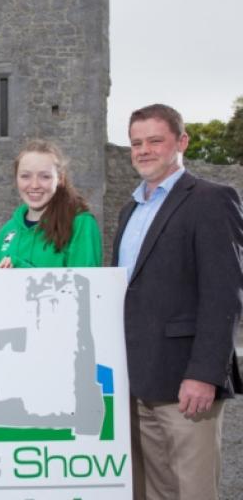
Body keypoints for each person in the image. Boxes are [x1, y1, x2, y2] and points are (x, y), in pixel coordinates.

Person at [111, 104, 243, 500]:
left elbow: (224, 293)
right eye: (136, 142)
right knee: (155, 492)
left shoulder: (211, 200)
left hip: (188, 384)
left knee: (193, 491)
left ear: (181, 142)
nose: (144, 150)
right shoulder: (129, 209)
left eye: (155, 140)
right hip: (140, 381)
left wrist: (204, 374)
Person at [0, 139, 102, 268]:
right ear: (16, 178)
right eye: (25, 176)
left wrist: (20, 269)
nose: (34, 185)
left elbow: (85, 285)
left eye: (45, 177)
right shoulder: (7, 230)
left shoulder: (81, 224)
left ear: (60, 178)